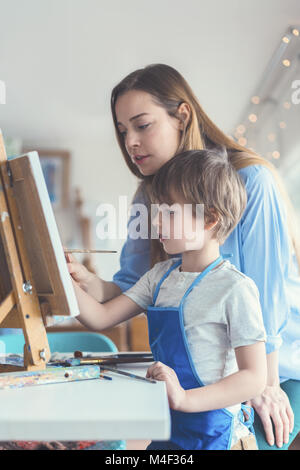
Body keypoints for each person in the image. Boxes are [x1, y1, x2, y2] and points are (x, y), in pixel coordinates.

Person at [67, 64, 300, 450]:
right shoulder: (149, 195)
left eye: (142, 125)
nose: (131, 142)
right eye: (123, 131)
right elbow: (130, 288)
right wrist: (80, 280)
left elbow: (268, 298)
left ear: (182, 116)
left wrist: (265, 384)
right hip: (200, 376)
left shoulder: (252, 182)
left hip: (276, 364)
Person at [72, 149, 267, 450]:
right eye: (156, 210)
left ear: (210, 219)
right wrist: (63, 280)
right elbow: (100, 317)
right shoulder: (159, 276)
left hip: (218, 435)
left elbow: (254, 378)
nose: (156, 221)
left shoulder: (236, 289)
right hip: (172, 430)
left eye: (169, 212)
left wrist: (185, 398)